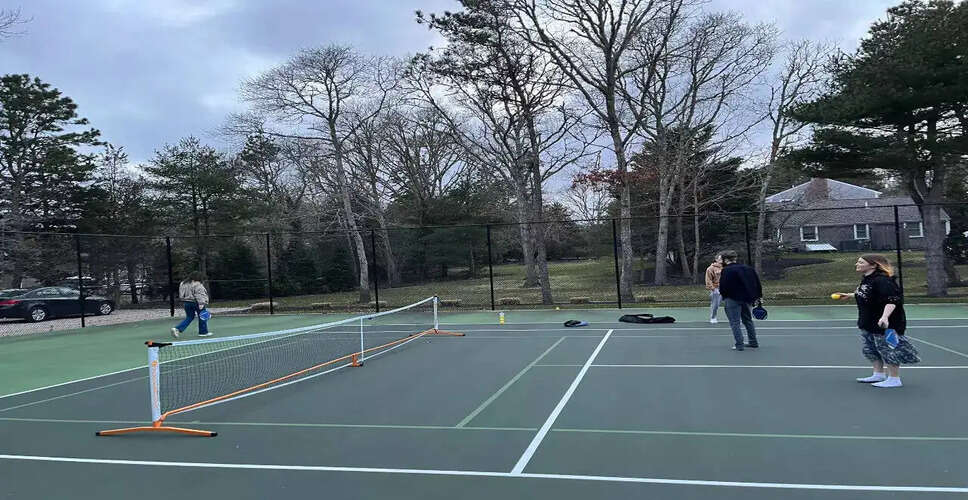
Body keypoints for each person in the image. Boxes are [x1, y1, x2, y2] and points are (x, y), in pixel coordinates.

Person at [834, 254, 918, 388]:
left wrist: (885, 317)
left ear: (873, 265)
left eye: (861, 262)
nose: (857, 264)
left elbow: (892, 300)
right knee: (871, 348)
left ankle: (894, 378)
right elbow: (868, 293)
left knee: (889, 349)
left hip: (887, 324)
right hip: (869, 322)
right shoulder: (868, 279)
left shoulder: (883, 280)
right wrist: (850, 295)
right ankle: (878, 374)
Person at [718, 250, 762, 351]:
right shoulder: (748, 268)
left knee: (735, 323)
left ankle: (739, 344)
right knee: (748, 320)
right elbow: (757, 283)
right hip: (747, 299)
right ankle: (753, 341)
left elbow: (724, 286)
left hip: (732, 299)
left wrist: (724, 296)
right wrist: (758, 296)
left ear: (725, 259)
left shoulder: (726, 270)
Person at [171, 272, 212, 338]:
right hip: (197, 302)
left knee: (189, 317)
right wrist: (201, 303)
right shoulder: (198, 284)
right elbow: (199, 295)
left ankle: (177, 328)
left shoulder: (183, 283)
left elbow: (181, 294)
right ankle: (203, 332)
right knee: (203, 316)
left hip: (186, 303)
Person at [704, 254, 724, 324]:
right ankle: (713, 317)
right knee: (715, 304)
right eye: (720, 259)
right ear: (716, 259)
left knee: (731, 304)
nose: (722, 260)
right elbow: (708, 279)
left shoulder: (727, 267)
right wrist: (713, 289)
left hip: (726, 288)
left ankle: (735, 318)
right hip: (716, 289)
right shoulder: (710, 268)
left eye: (723, 259)